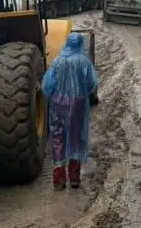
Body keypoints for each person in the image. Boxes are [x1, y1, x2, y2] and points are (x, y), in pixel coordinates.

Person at [41, 32, 98, 189]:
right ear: (80, 45)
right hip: (78, 104)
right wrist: (82, 93)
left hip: (58, 104)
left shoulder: (57, 61)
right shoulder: (84, 62)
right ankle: (74, 178)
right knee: (75, 138)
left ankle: (59, 178)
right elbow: (92, 83)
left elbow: (46, 86)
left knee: (57, 137)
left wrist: (55, 96)